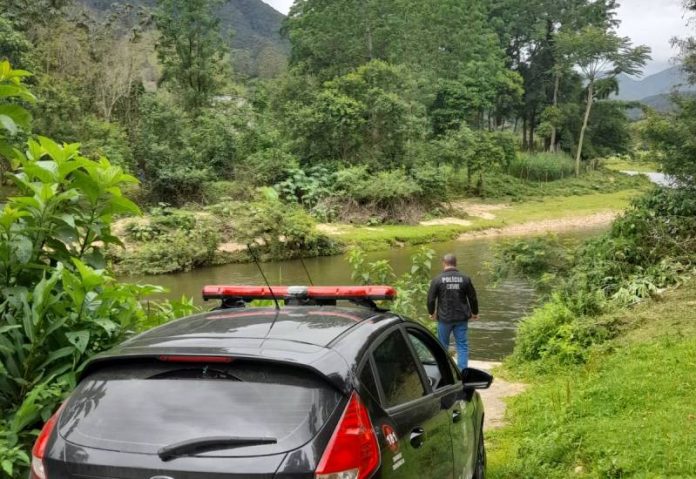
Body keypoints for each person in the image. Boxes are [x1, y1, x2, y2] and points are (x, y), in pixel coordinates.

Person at [427, 253, 479, 371]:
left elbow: (430, 299)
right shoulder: (465, 278)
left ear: (444, 263)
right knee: (462, 345)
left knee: (442, 345)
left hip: (444, 319)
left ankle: (444, 371)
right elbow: (472, 298)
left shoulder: (437, 279)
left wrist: (431, 312)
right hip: (461, 318)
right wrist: (474, 312)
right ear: (456, 263)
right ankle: (462, 371)